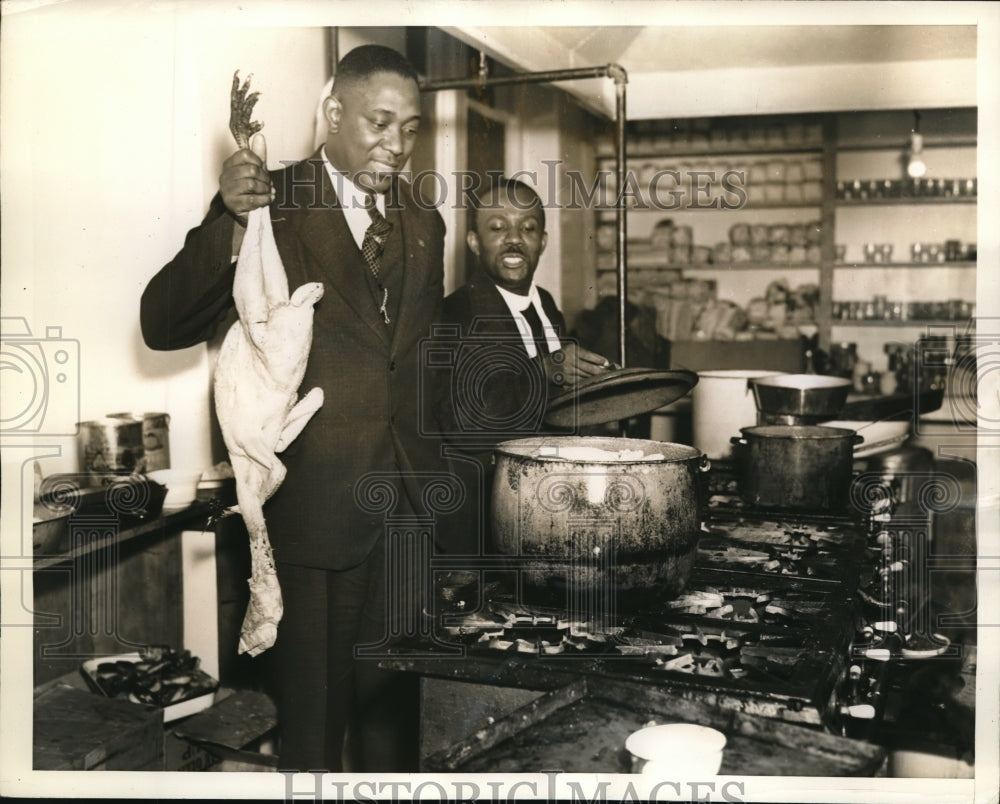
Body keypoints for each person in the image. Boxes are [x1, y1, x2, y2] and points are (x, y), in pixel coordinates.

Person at [141, 45, 465, 772]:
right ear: (332, 113)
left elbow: (413, 365)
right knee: (313, 734)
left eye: (411, 128)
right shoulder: (271, 201)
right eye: (379, 123)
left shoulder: (424, 220)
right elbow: (162, 324)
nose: (396, 144)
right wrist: (228, 218)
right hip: (311, 519)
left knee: (394, 731)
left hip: (406, 518)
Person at [438, 178, 614, 546]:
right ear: (474, 242)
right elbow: (462, 425)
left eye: (528, 228)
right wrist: (545, 371)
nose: (514, 239)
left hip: (549, 505)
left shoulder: (547, 305)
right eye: (498, 228)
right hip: (486, 519)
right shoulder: (453, 314)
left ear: (543, 242)